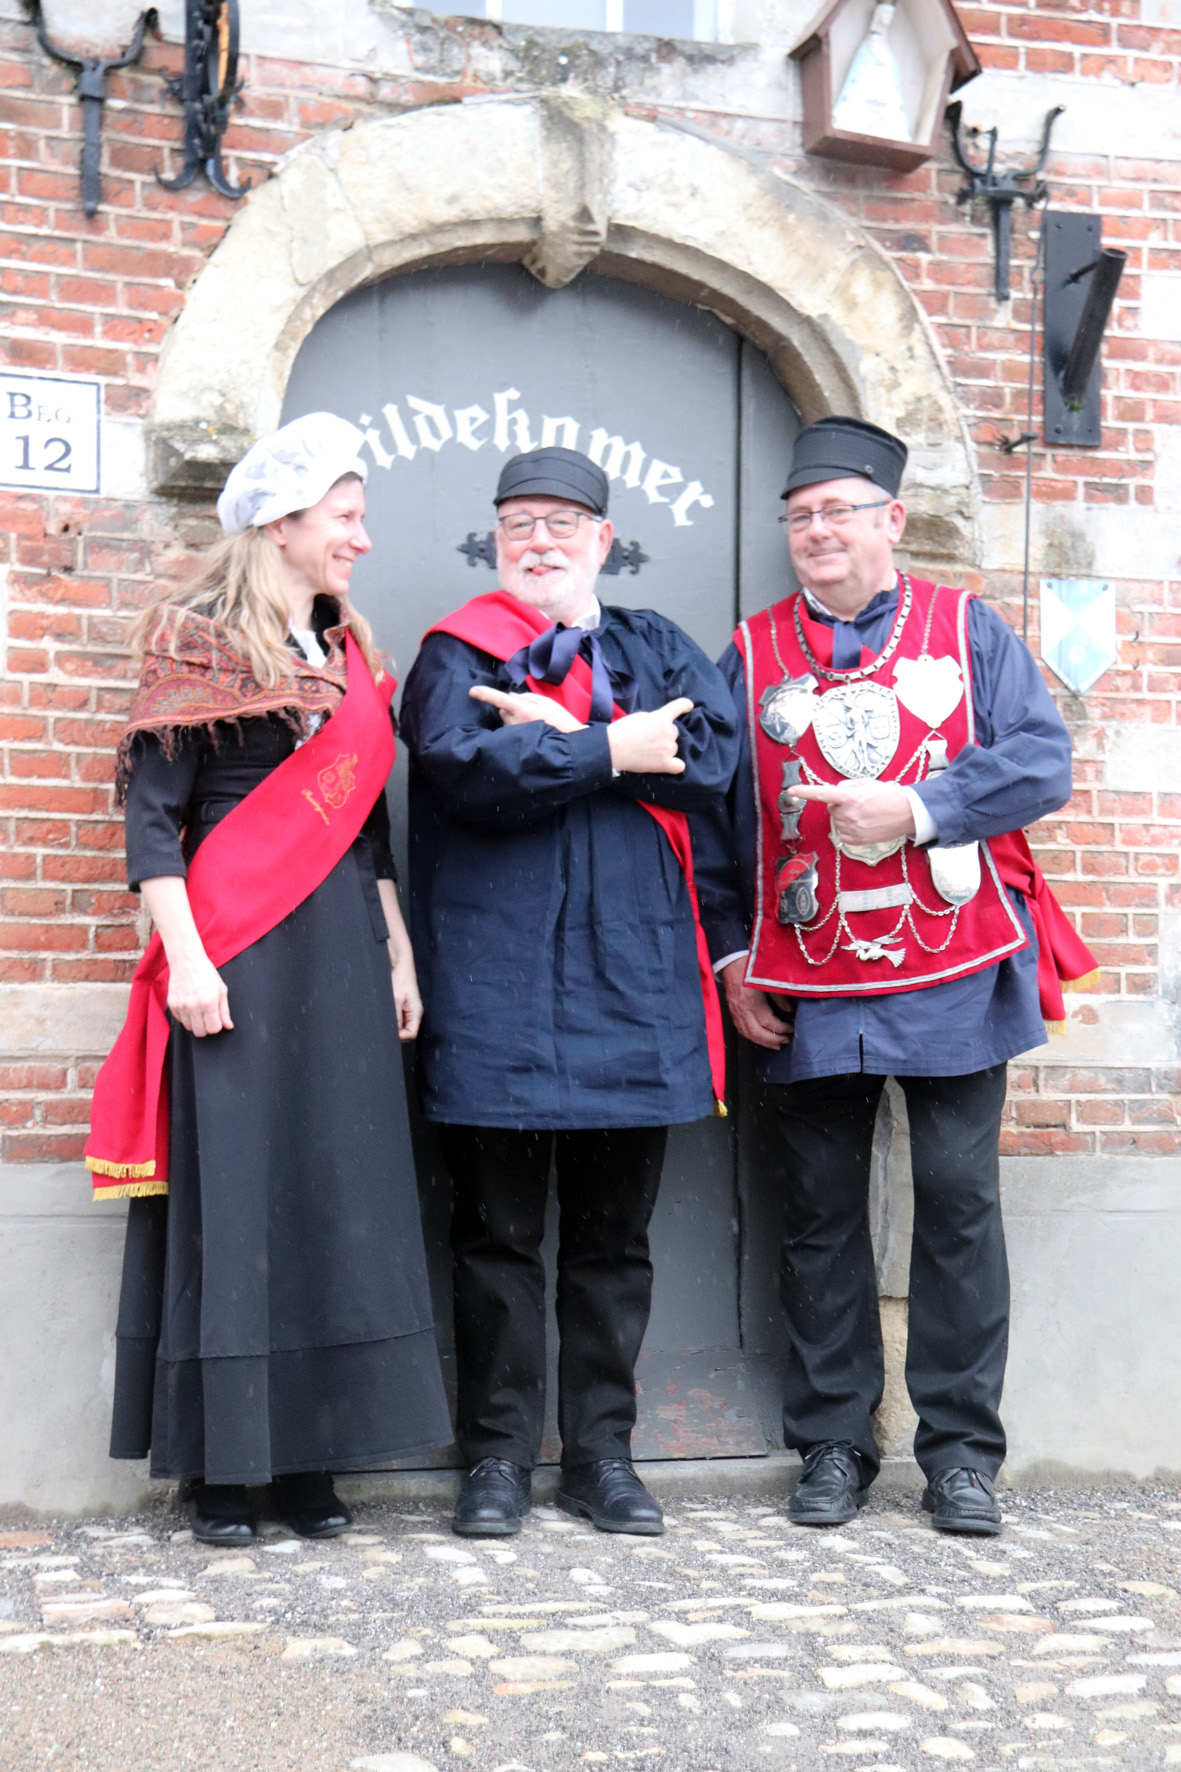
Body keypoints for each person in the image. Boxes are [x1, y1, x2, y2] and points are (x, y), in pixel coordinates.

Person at [692, 416, 1095, 1536]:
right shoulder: (749, 653)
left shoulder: (967, 628)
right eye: (799, 515)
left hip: (955, 962)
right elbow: (715, 820)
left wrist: (920, 808)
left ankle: (960, 1455)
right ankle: (832, 1443)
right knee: (818, 1214)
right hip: (805, 973)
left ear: (891, 520)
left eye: (837, 511)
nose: (816, 531)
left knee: (958, 1207)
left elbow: (1038, 760)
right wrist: (729, 954)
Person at [87, 412, 451, 1544]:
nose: (362, 539)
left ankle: (309, 1459)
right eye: (345, 517)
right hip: (236, 947)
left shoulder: (351, 656)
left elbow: (368, 831)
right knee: (236, 1193)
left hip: (339, 945)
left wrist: (395, 946)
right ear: (280, 523)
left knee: (337, 1185)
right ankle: (221, 1467)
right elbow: (154, 827)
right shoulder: (195, 642)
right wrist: (188, 959)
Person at [400, 445, 738, 1538]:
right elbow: (463, 771)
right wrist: (609, 749)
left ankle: (602, 1456)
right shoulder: (456, 652)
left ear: (602, 538)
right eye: (518, 526)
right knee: (494, 1239)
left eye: (559, 525)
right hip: (495, 984)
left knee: (612, 1245)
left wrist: (561, 740)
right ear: (494, 540)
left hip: (633, 982)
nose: (537, 543)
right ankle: (495, 1459)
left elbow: (712, 761)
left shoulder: (655, 643)